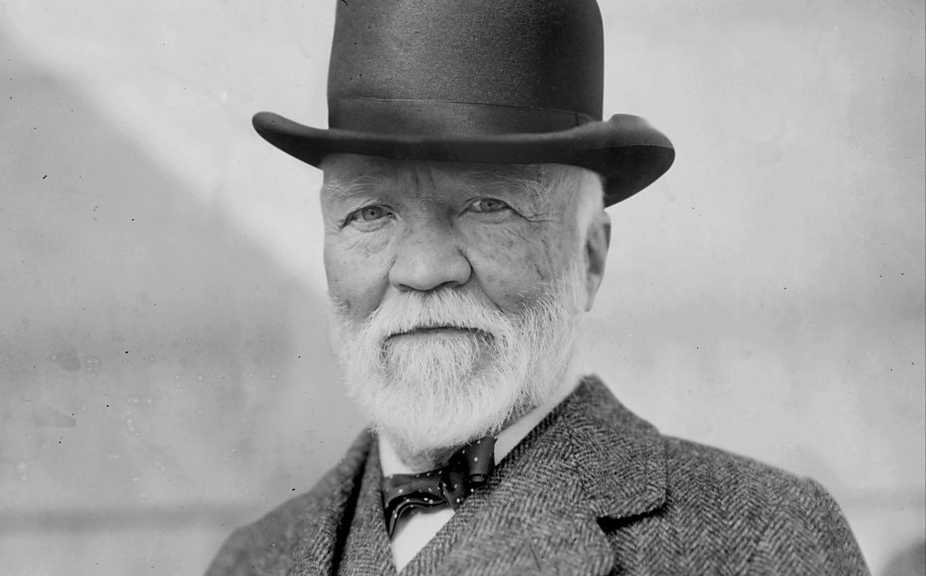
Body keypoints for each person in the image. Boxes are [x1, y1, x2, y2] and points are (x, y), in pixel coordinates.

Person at [207, 1, 870, 574]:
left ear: (591, 257)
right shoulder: (250, 561)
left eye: (487, 206)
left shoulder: (764, 540)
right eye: (370, 213)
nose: (424, 269)